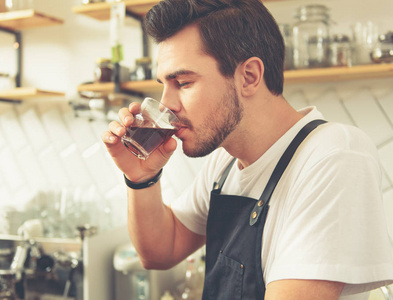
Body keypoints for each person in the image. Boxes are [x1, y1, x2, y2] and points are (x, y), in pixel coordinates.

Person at [102, 0, 393, 299]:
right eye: (164, 84)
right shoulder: (224, 162)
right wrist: (141, 178)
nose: (166, 105)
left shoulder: (334, 156)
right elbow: (160, 252)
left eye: (184, 82)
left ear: (249, 76)